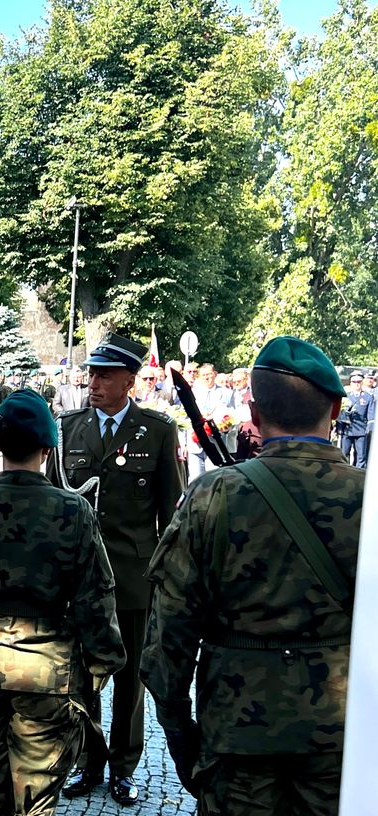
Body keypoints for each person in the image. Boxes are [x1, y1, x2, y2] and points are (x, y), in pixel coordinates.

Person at [141, 336, 360, 816]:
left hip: (238, 731)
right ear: (337, 409)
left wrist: (180, 732)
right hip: (345, 736)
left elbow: (169, 631)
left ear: (254, 413)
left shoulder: (213, 495)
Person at [0, 389, 126, 816]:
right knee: (35, 805)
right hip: (48, 674)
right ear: (49, 447)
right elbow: (96, 603)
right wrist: (99, 671)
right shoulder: (74, 511)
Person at [47, 332, 183, 806]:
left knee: (128, 677)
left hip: (132, 577)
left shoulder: (158, 430)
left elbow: (172, 514)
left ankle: (124, 766)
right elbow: (52, 506)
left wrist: (167, 580)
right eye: (91, 374)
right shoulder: (66, 428)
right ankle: (89, 759)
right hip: (80, 578)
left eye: (105, 375)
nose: (94, 382)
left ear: (130, 379)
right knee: (80, 674)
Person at [337, 371, 373, 468]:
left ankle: (359, 476)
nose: (356, 384)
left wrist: (368, 430)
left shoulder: (368, 397)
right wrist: (339, 429)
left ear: (362, 383)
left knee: (361, 456)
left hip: (361, 431)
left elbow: (371, 416)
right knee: (344, 454)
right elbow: (340, 413)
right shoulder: (345, 396)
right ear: (350, 383)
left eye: (358, 381)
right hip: (347, 430)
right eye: (354, 381)